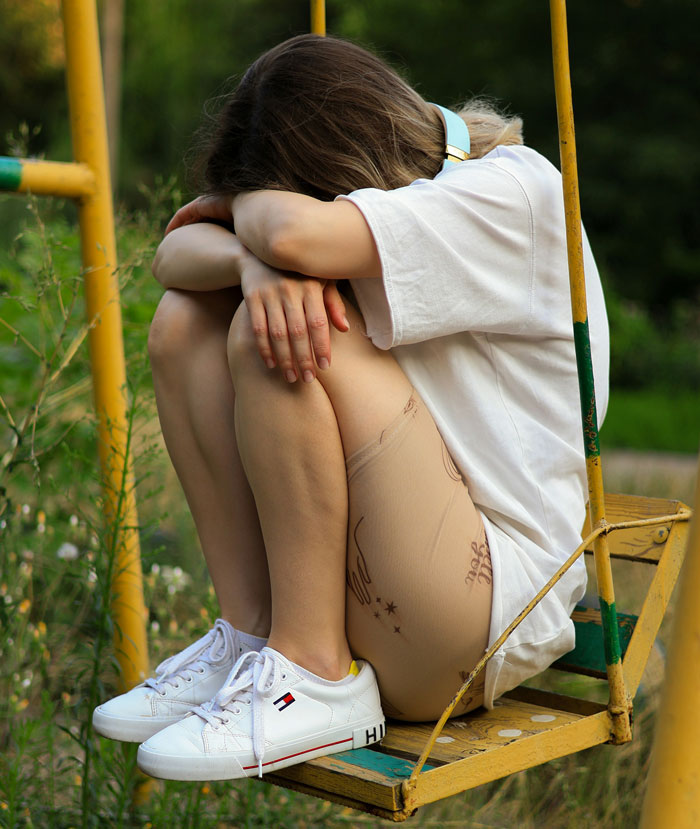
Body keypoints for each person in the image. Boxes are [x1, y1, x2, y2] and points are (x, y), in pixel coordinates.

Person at [92, 33, 609, 782]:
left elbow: (293, 233)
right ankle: (254, 638)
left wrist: (262, 239)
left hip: (480, 616)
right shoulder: (377, 215)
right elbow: (175, 252)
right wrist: (248, 258)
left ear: (341, 171)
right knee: (184, 320)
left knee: (284, 335)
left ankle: (318, 672)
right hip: (399, 582)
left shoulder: (515, 192)